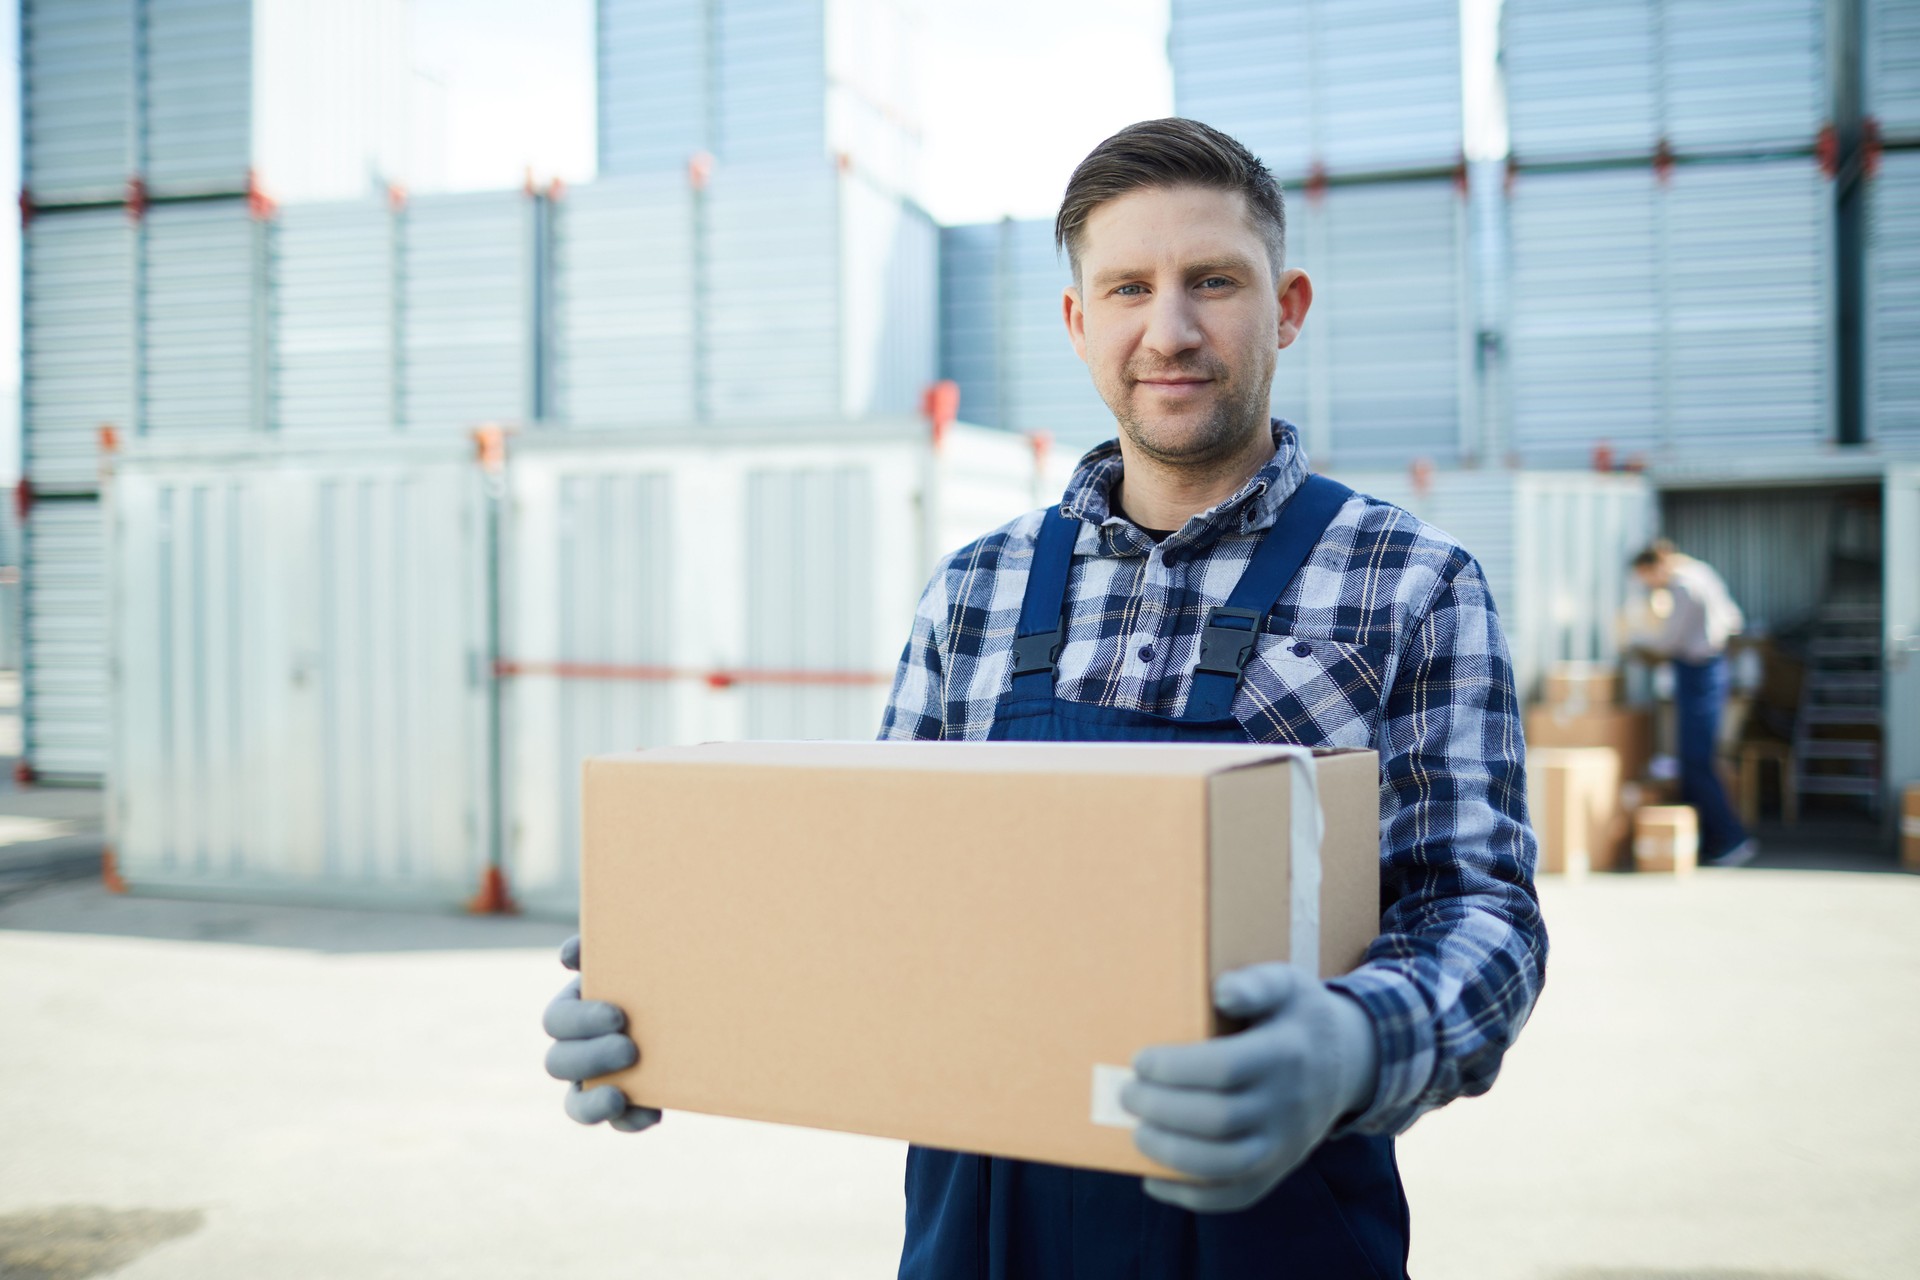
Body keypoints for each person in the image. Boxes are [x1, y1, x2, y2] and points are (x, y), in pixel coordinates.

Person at [542, 118, 1547, 1278]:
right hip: (984, 1229)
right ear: (1079, 323)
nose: (1169, 329)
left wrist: (1353, 1046)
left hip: (1272, 1219)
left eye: (1212, 281)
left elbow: (1483, 911)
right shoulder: (977, 588)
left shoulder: (1412, 584)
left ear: (1288, 306)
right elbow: (880, 899)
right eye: (1128, 286)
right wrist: (685, 988)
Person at [1630, 539, 1757, 867]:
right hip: (1707, 669)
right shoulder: (1700, 572)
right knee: (1694, 759)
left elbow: (1670, 640)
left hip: (1698, 670)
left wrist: (1640, 645)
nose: (1649, 585)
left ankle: (1730, 839)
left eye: (1647, 577)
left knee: (1696, 760)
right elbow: (1733, 620)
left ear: (1656, 566)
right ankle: (1708, 840)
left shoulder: (1684, 585)